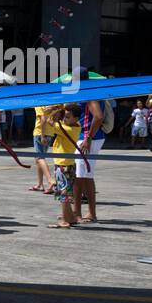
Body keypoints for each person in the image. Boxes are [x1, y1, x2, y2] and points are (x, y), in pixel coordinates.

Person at [46, 104, 82, 228]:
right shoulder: (77, 126)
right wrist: (60, 110)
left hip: (62, 165)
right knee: (66, 192)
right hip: (69, 164)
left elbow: (49, 121)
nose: (64, 119)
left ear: (75, 118)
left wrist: (52, 110)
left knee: (63, 193)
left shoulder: (66, 129)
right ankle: (70, 217)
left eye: (67, 117)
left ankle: (64, 220)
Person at [73, 94, 106, 224]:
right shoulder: (91, 92)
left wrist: (88, 138)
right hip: (88, 137)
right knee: (86, 176)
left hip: (88, 138)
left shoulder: (90, 95)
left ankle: (77, 213)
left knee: (79, 176)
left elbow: (98, 116)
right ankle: (90, 213)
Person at [30, 103, 54, 193]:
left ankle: (50, 180)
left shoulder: (40, 103)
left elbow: (43, 119)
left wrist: (42, 136)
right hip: (50, 133)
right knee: (38, 159)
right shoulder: (55, 103)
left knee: (40, 158)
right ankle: (40, 184)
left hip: (40, 133)